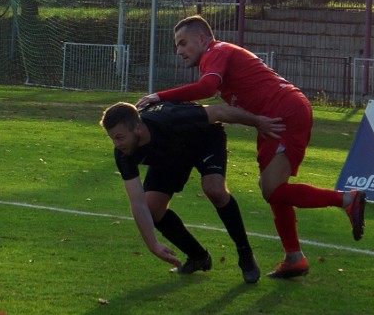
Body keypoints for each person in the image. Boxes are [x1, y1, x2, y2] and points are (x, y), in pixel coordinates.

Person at [136, 15, 366, 280]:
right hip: (272, 116)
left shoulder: (216, 51)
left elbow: (207, 88)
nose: (179, 51)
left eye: (183, 43)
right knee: (273, 190)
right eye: (177, 46)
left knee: (272, 189)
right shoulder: (218, 55)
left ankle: (346, 199)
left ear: (202, 38)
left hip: (282, 111)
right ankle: (294, 257)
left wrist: (159, 95)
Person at [100, 100, 284, 284]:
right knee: (152, 209)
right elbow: (137, 202)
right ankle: (198, 257)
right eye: (112, 138)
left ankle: (245, 253)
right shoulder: (123, 153)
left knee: (214, 190)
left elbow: (220, 111)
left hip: (204, 141)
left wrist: (258, 121)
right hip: (169, 156)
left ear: (138, 129)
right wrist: (153, 245)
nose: (116, 144)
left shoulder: (172, 118)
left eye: (119, 137)